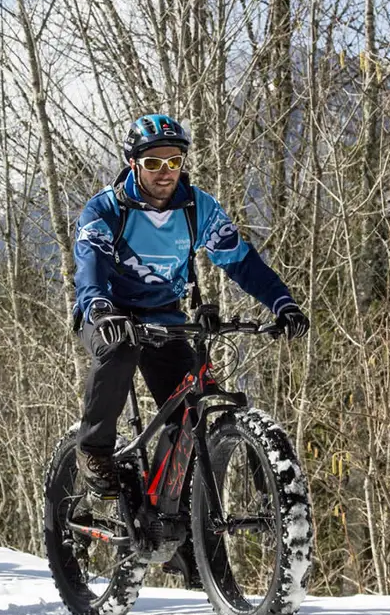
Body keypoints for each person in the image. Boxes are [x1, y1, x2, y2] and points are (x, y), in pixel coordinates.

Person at [73, 113, 310, 500]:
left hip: (164, 316)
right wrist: (98, 307)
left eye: (173, 161)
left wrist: (283, 303)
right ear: (133, 163)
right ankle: (93, 450)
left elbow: (241, 262)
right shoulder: (105, 210)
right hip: (109, 314)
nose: (165, 172)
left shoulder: (197, 208)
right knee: (119, 350)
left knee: (189, 414)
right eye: (153, 163)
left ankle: (173, 530)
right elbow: (90, 264)